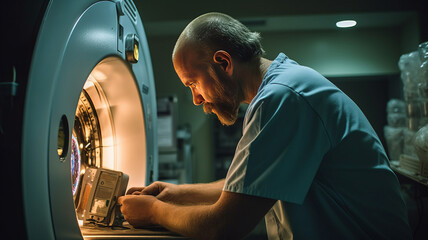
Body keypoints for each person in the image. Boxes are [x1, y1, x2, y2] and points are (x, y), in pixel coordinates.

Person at [118, 12, 412, 239]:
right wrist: (175, 193)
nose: (195, 98)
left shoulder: (283, 97)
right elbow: (251, 185)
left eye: (193, 82)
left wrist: (154, 211)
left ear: (223, 63)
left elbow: (224, 226)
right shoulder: (285, 85)